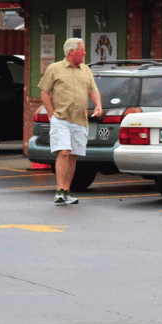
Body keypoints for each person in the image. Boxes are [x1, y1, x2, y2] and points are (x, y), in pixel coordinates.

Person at [39, 37, 102, 205]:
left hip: (80, 119)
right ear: (72, 52)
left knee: (73, 155)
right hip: (61, 118)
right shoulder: (55, 68)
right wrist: (51, 114)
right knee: (64, 151)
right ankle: (59, 191)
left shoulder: (86, 70)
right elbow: (44, 92)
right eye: (82, 50)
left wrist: (98, 105)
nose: (85, 53)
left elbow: (93, 90)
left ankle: (67, 190)